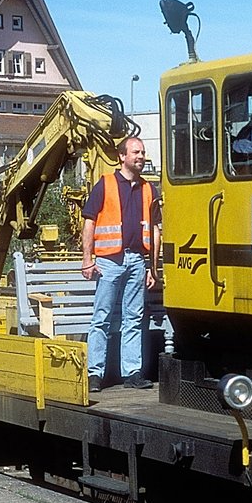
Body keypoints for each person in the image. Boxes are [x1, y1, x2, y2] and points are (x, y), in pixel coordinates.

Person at [80, 136, 162, 392]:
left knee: (134, 318)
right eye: (136, 152)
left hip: (137, 260)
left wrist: (153, 267)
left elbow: (156, 230)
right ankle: (95, 374)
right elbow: (89, 223)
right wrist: (87, 259)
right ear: (122, 156)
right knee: (101, 318)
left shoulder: (149, 189)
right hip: (109, 262)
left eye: (143, 152)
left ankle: (132, 372)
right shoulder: (105, 185)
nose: (141, 156)